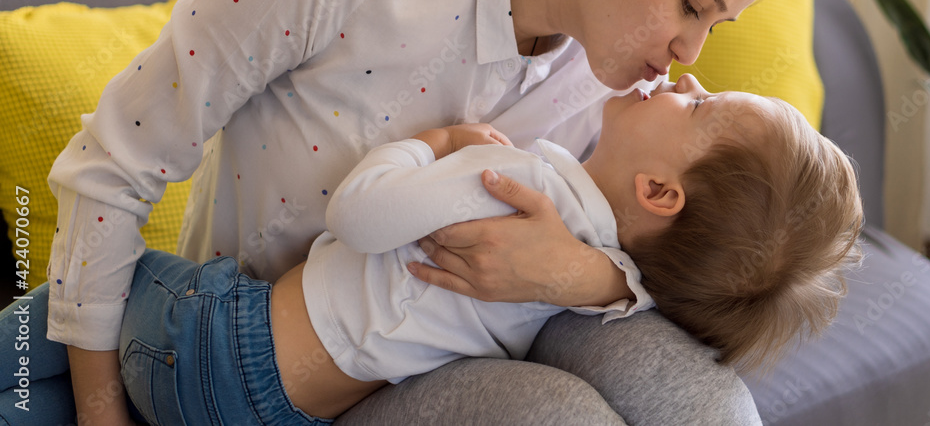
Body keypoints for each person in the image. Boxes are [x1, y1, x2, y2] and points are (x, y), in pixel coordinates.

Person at [1, 0, 785, 425]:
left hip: (411, 365)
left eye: (714, 27)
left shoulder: (616, 91)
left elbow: (692, 240)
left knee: (706, 403)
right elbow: (113, 165)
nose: (688, 53)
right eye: (692, 6)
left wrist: (587, 275)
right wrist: (104, 412)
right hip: (238, 352)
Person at [105, 73, 863, 423]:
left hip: (220, 352)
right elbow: (658, 287)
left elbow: (360, 218)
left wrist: (428, 144)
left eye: (698, 102)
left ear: (661, 193)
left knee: (104, 283)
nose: (686, 74)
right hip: (290, 409)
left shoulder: (517, 186)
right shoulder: (618, 274)